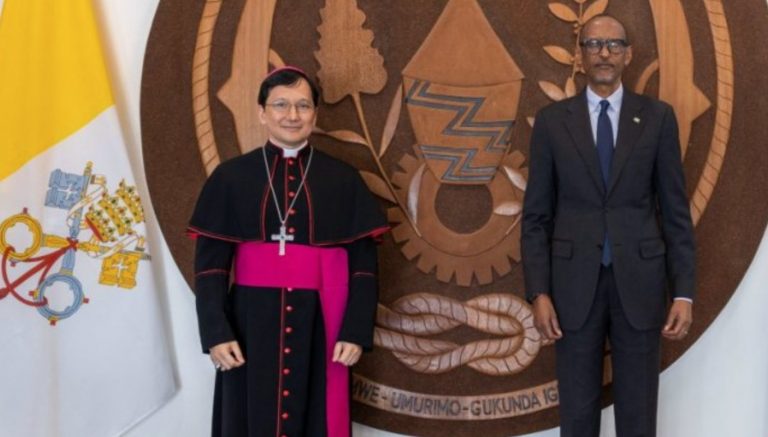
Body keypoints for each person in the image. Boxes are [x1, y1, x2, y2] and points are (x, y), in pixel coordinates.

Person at [188, 66, 388, 437]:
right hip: (249, 325)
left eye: (303, 105)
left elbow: (364, 267)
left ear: (315, 114)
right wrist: (215, 332)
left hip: (321, 324)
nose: (292, 115)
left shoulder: (343, 178)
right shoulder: (231, 177)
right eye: (281, 105)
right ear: (262, 113)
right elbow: (211, 268)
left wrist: (355, 331)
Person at [521, 15, 695, 437]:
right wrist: (538, 293)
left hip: (641, 285)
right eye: (594, 44)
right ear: (580, 55)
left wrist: (683, 292)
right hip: (572, 290)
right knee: (577, 417)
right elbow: (536, 217)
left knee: (638, 416)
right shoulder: (552, 122)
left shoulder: (657, 118)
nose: (604, 53)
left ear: (628, 55)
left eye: (614, 45)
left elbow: (675, 212)